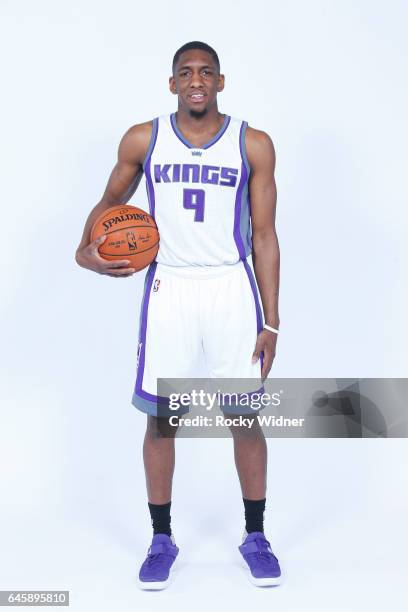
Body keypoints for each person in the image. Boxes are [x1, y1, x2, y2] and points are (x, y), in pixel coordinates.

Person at [75, 41, 282, 590]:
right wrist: (84, 251)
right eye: (186, 73)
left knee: (244, 418)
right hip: (169, 285)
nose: (196, 80)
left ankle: (255, 535)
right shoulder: (144, 138)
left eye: (206, 72)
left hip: (231, 287)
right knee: (163, 419)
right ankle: (161, 538)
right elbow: (107, 204)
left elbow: (264, 234)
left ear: (220, 81)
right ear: (172, 84)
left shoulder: (253, 144)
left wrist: (272, 320)